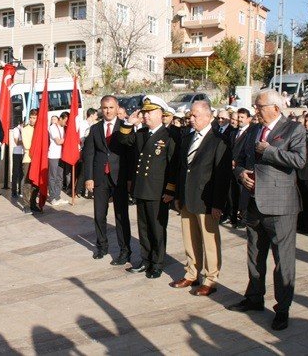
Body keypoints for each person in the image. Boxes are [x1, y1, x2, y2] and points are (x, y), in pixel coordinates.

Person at [231, 89, 306, 331]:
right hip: (254, 203)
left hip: (281, 205)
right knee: (255, 254)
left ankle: (282, 308)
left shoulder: (293, 129)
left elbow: (299, 161)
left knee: (282, 260)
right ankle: (254, 297)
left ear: (275, 107)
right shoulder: (253, 129)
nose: (256, 111)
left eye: (259, 106)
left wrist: (269, 151)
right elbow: (239, 160)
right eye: (255, 106)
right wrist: (242, 174)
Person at [171, 100, 231, 297]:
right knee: (189, 238)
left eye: (196, 115)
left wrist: (217, 204)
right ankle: (192, 272)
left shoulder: (218, 140)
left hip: (206, 200)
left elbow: (221, 175)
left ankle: (210, 278)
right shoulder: (188, 138)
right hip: (188, 197)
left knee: (209, 241)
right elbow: (182, 169)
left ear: (208, 116)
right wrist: (179, 195)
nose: (191, 118)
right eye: (191, 115)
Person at [120, 96, 178, 279]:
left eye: (150, 112)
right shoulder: (141, 134)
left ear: (162, 114)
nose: (146, 116)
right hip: (142, 189)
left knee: (157, 228)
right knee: (144, 228)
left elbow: (173, 165)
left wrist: (170, 190)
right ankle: (145, 259)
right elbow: (124, 141)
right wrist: (129, 123)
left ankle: (157, 263)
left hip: (158, 191)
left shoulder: (169, 135)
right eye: (144, 113)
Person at [82, 95, 131, 265]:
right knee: (99, 214)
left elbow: (130, 154)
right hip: (100, 177)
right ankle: (102, 246)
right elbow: (89, 154)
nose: (108, 111)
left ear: (117, 108)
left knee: (121, 215)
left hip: (119, 177)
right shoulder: (95, 129)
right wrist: (88, 177)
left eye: (111, 107)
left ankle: (125, 251)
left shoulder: (124, 127)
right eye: (105, 108)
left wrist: (130, 178)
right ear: (101, 109)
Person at [228, 108, 253, 228]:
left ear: (249, 119)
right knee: (232, 194)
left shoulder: (251, 133)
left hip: (243, 168)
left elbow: (247, 151)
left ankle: (244, 218)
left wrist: (237, 163)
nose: (239, 119)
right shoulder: (233, 132)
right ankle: (233, 216)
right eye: (238, 117)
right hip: (232, 168)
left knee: (243, 195)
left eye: (242, 117)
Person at [21, 109, 40, 213]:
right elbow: (27, 145)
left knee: (36, 184)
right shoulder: (26, 129)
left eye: (34, 118)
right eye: (31, 118)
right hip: (28, 159)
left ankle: (33, 203)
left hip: (37, 159)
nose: (32, 120)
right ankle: (26, 205)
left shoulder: (39, 129)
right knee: (28, 182)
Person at [48, 111, 68, 206]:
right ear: (61, 118)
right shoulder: (53, 127)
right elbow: (58, 141)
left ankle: (57, 196)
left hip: (61, 155)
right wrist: (68, 139)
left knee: (60, 177)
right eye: (65, 121)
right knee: (53, 177)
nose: (66, 123)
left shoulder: (62, 128)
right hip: (53, 155)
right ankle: (52, 198)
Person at [11, 121, 24, 198]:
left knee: (22, 173)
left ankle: (21, 191)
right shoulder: (16, 129)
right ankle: (14, 191)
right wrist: (25, 141)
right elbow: (16, 142)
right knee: (15, 173)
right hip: (17, 153)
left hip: (24, 153)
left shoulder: (26, 129)